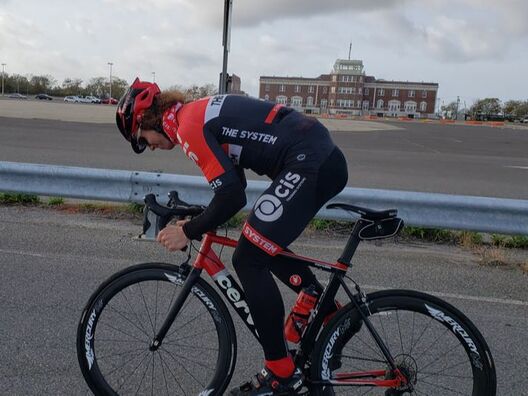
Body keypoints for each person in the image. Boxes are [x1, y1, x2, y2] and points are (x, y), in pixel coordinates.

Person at [116, 78, 348, 395]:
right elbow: (230, 186)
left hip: (309, 160)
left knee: (248, 257)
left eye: (142, 140)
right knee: (257, 242)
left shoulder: (187, 128)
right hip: (314, 156)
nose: (149, 147)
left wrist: (187, 230)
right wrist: (198, 220)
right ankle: (320, 303)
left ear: (145, 119)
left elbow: (232, 197)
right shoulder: (193, 115)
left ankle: (281, 372)